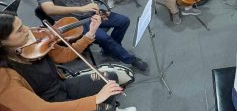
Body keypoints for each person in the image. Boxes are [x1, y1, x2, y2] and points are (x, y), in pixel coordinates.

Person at [0, 13, 137, 111]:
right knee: (100, 106)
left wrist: (90, 33)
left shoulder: (35, 41)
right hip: (49, 103)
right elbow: (40, 108)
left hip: (61, 85)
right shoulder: (4, 76)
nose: (28, 29)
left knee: (110, 78)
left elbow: (66, 54)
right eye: (19, 30)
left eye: (22, 24)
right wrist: (95, 99)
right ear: (3, 41)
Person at [33, 0, 148, 72]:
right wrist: (81, 8)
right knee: (104, 38)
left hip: (89, 13)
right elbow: (49, 9)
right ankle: (130, 59)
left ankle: (109, 50)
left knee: (123, 21)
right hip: (74, 22)